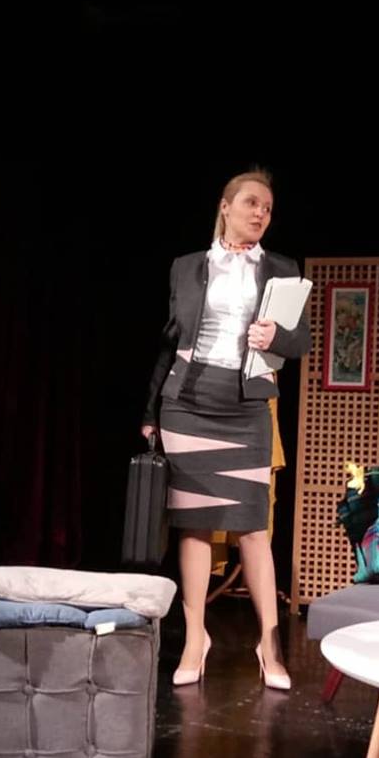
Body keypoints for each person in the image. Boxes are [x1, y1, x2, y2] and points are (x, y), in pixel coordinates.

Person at [142, 170, 309, 689]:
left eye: (268, 208)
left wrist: (276, 336)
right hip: (188, 403)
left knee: (254, 528)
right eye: (252, 203)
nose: (260, 213)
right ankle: (196, 637)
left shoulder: (282, 269)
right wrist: (150, 411)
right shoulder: (187, 266)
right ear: (225, 206)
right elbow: (170, 342)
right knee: (193, 526)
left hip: (246, 404)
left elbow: (300, 343)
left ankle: (270, 644)